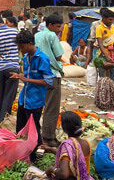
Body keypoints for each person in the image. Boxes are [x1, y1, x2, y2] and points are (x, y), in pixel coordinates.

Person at [10, 30, 54, 162]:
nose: (20, 49)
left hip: (35, 101)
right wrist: (19, 76)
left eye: (21, 47)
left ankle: (34, 158)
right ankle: (21, 155)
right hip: (24, 99)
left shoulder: (42, 59)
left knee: (33, 131)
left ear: (30, 43)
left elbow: (48, 81)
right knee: (21, 129)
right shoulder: (25, 57)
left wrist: (26, 79)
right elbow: (26, 75)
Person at [35, 14, 64, 147]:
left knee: (41, 105)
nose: (59, 29)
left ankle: (37, 135)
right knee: (52, 108)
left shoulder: (37, 35)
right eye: (57, 26)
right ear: (50, 25)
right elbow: (58, 56)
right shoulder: (52, 35)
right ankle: (48, 137)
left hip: (39, 74)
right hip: (52, 74)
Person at [43, 111, 93, 180]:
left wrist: (51, 169)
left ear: (64, 129)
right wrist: (51, 149)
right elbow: (72, 155)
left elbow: (64, 174)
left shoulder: (67, 145)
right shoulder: (86, 143)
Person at [95, 9, 114, 80]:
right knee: (103, 75)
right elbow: (100, 44)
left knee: (113, 73)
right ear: (104, 18)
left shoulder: (113, 27)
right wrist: (107, 56)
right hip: (103, 54)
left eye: (112, 20)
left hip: (113, 54)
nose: (111, 21)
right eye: (109, 20)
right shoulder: (99, 28)